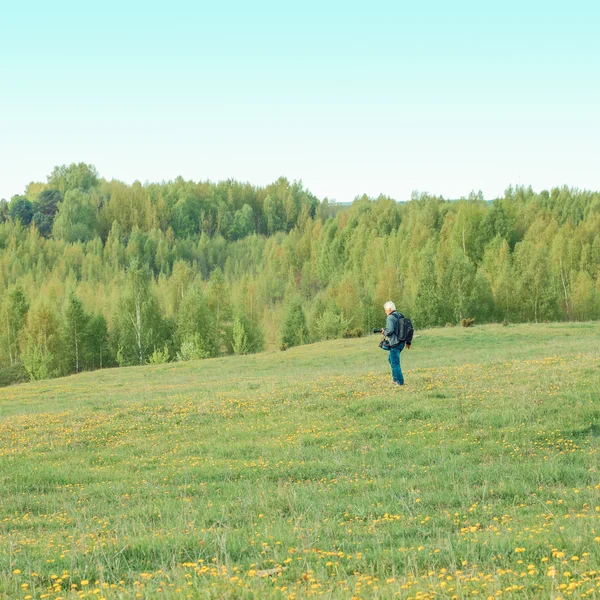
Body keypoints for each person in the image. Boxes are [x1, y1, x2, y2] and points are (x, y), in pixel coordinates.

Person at [380, 301, 411, 386]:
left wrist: (384, 332)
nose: (385, 312)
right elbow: (408, 328)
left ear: (389, 309)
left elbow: (389, 331)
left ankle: (399, 382)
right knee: (391, 359)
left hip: (395, 343)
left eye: (385, 310)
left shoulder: (390, 317)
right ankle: (395, 379)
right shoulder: (400, 315)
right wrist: (408, 342)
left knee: (395, 363)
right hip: (402, 342)